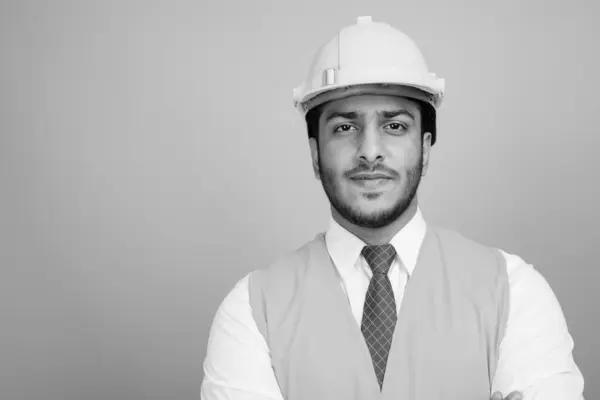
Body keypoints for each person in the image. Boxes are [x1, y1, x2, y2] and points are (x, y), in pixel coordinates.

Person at [200, 16, 585, 400]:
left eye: (395, 126)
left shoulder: (514, 292)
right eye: (345, 128)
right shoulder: (252, 311)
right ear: (316, 153)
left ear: (425, 147)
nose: (370, 150)